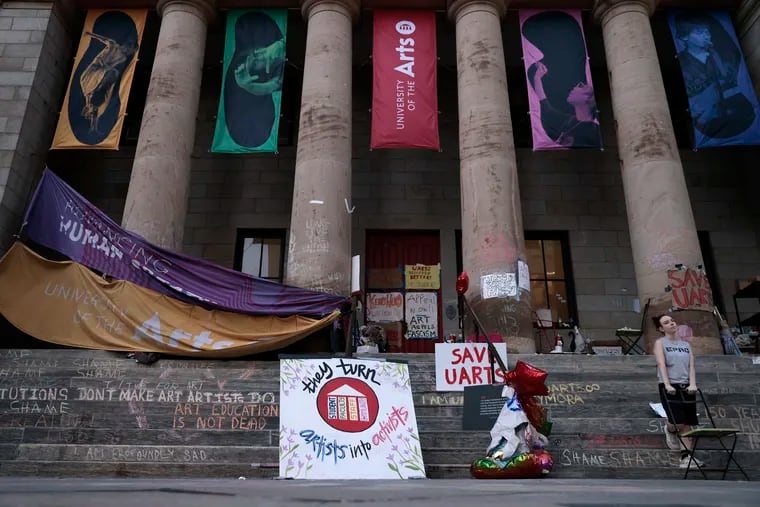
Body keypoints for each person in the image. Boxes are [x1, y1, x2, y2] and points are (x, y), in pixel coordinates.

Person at [522, 11, 602, 149]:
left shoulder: (591, 130)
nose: (574, 87)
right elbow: (546, 108)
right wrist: (537, 79)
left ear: (589, 99)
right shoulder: (570, 121)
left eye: (581, 86)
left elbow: (547, 110)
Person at [673, 13, 756, 139]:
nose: (706, 35)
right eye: (699, 32)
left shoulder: (722, 57)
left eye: (707, 32)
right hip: (708, 122)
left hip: (742, 114)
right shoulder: (681, 62)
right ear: (685, 36)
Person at [653, 314, 704, 468]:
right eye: (666, 323)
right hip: (669, 385)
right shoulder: (660, 343)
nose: (671, 323)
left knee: (688, 422)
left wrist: (692, 384)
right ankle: (669, 429)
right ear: (661, 328)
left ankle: (686, 457)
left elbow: (691, 366)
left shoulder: (685, 345)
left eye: (672, 321)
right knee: (678, 421)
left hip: (686, 385)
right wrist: (667, 384)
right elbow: (661, 364)